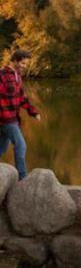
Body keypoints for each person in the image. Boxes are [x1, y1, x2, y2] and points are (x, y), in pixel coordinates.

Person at [0, 49, 40, 180]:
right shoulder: (2, 75)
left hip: (14, 118)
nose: (24, 66)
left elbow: (22, 98)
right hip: (5, 119)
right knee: (21, 145)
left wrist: (33, 112)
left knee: (2, 147)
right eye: (22, 63)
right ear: (15, 60)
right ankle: (22, 178)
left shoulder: (17, 76)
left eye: (25, 64)